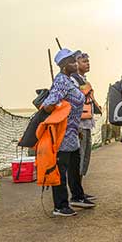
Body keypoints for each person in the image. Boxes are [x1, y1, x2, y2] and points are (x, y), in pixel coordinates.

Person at [42, 48, 94, 216]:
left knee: (74, 166)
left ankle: (77, 196)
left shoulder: (69, 80)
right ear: (64, 65)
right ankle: (60, 205)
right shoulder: (61, 81)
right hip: (62, 133)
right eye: (72, 62)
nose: (75, 64)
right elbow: (48, 104)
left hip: (72, 131)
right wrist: (61, 117)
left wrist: (75, 126)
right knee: (61, 169)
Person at [71, 52, 100, 202]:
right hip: (79, 125)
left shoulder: (83, 80)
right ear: (76, 64)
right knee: (79, 158)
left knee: (85, 158)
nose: (87, 64)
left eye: (88, 61)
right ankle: (76, 194)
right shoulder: (73, 81)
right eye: (84, 61)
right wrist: (75, 127)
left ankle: (80, 190)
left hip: (87, 123)